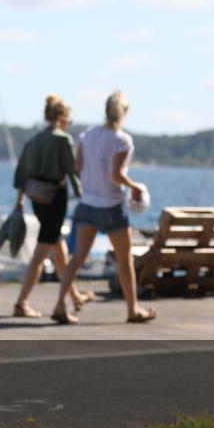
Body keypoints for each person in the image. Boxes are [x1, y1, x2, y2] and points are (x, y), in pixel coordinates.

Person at [51, 91, 156, 324]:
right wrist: (135, 186)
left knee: (77, 258)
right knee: (124, 260)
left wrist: (92, 178)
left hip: (87, 204)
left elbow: (78, 167)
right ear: (124, 112)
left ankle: (60, 304)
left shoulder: (87, 136)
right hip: (111, 206)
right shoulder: (122, 140)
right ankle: (132, 309)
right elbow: (117, 175)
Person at [11, 95, 91, 317]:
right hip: (55, 199)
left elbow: (21, 174)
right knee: (42, 252)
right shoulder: (62, 140)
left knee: (59, 247)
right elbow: (72, 172)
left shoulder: (35, 140)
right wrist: (84, 195)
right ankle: (22, 302)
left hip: (37, 199)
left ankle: (75, 296)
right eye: (70, 120)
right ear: (62, 118)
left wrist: (20, 201)